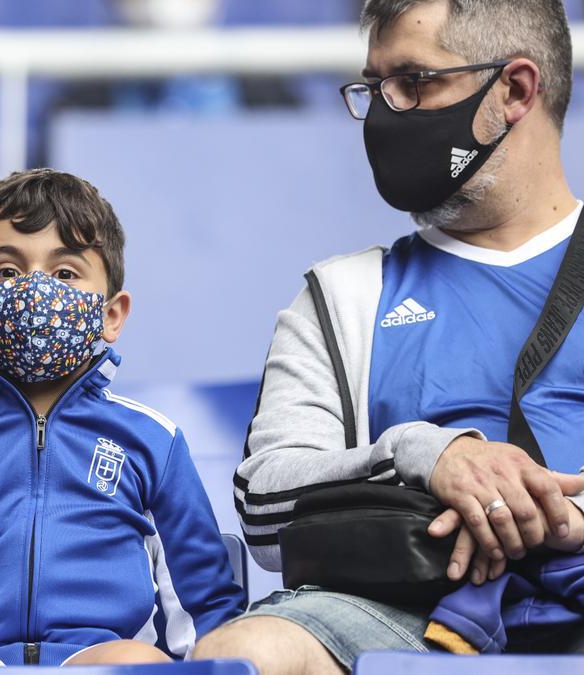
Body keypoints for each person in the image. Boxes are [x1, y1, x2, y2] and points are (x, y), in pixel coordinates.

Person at [193, 1, 584, 673]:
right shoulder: (341, 293)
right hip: (404, 609)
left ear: (516, 90)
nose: (382, 112)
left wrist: (552, 512)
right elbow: (264, 502)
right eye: (373, 87)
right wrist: (427, 455)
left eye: (414, 81)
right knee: (245, 651)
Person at [0, 168, 246, 667]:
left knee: (133, 660)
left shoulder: (152, 440)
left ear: (111, 315)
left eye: (66, 274)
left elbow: (204, 606)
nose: (34, 290)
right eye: (7, 272)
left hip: (99, 658)